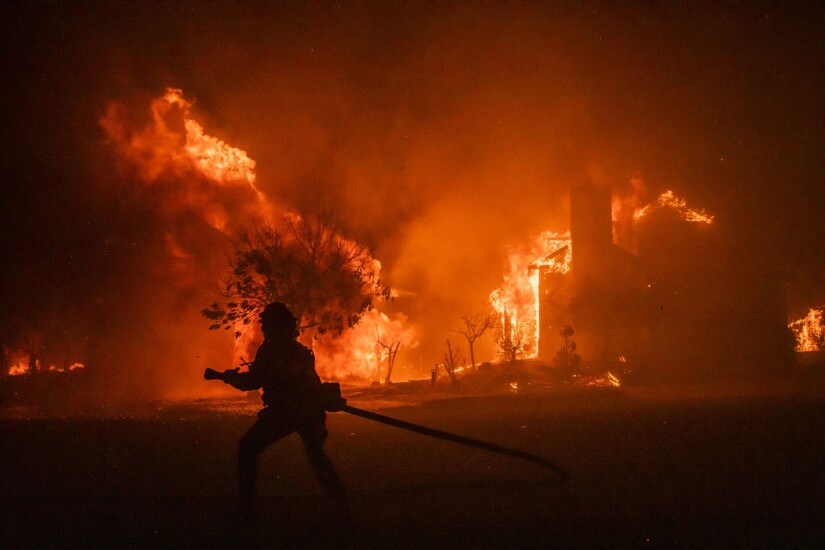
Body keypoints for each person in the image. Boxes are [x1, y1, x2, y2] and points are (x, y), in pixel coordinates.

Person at [212, 302, 348, 521]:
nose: (264, 329)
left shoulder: (272, 349)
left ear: (276, 326)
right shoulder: (299, 350)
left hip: (288, 410)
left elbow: (253, 381)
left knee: (248, 447)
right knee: (316, 455)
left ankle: (247, 511)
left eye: (267, 324)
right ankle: (342, 507)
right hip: (308, 409)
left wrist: (229, 378)